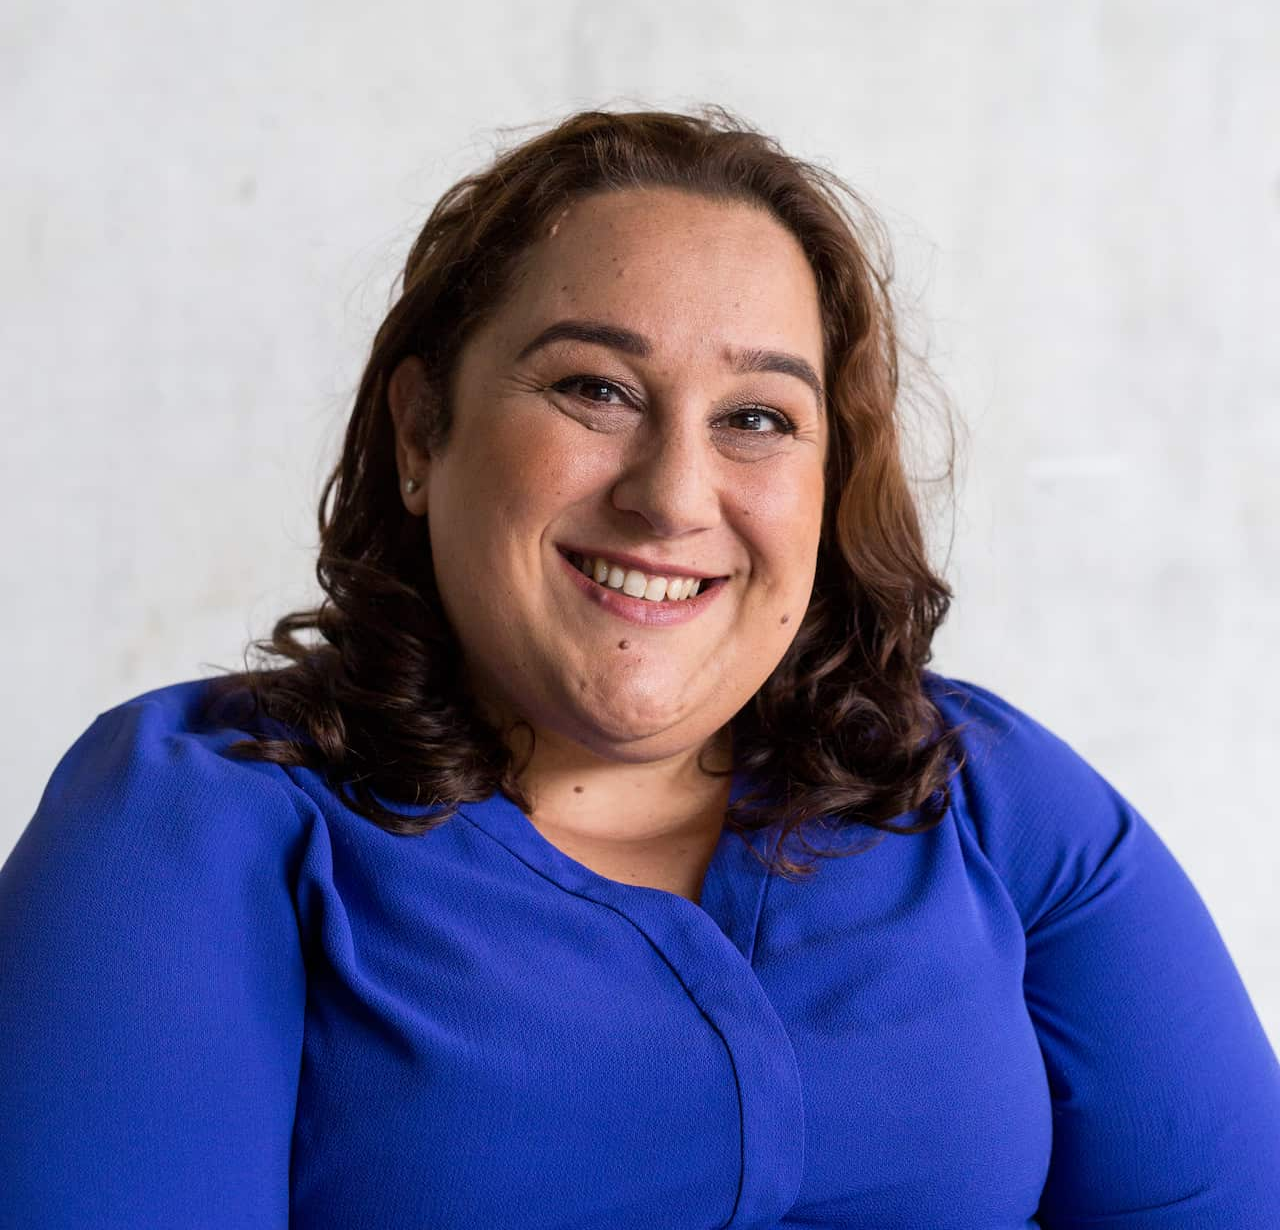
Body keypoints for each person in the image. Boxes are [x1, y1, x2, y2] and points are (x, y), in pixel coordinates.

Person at [1, 107, 1277, 1229]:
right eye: (594, 389)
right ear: (417, 431)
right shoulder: (187, 824)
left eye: (758, 417)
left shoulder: (989, 799)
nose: (672, 492)